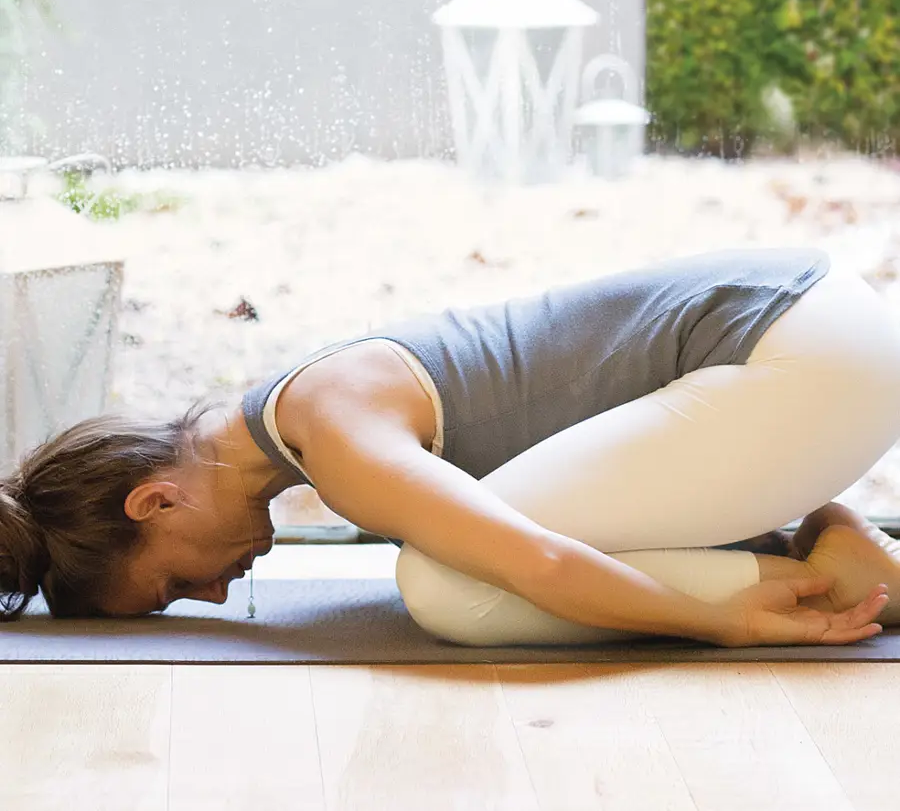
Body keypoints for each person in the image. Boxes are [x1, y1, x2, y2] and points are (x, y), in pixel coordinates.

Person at [3, 246, 900, 649]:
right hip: (817, 333)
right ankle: (824, 547)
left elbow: (545, 563)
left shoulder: (332, 431)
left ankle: (816, 576)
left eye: (172, 585)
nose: (213, 594)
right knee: (472, 551)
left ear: (155, 502)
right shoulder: (304, 411)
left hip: (798, 351)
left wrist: (720, 625)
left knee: (448, 587)